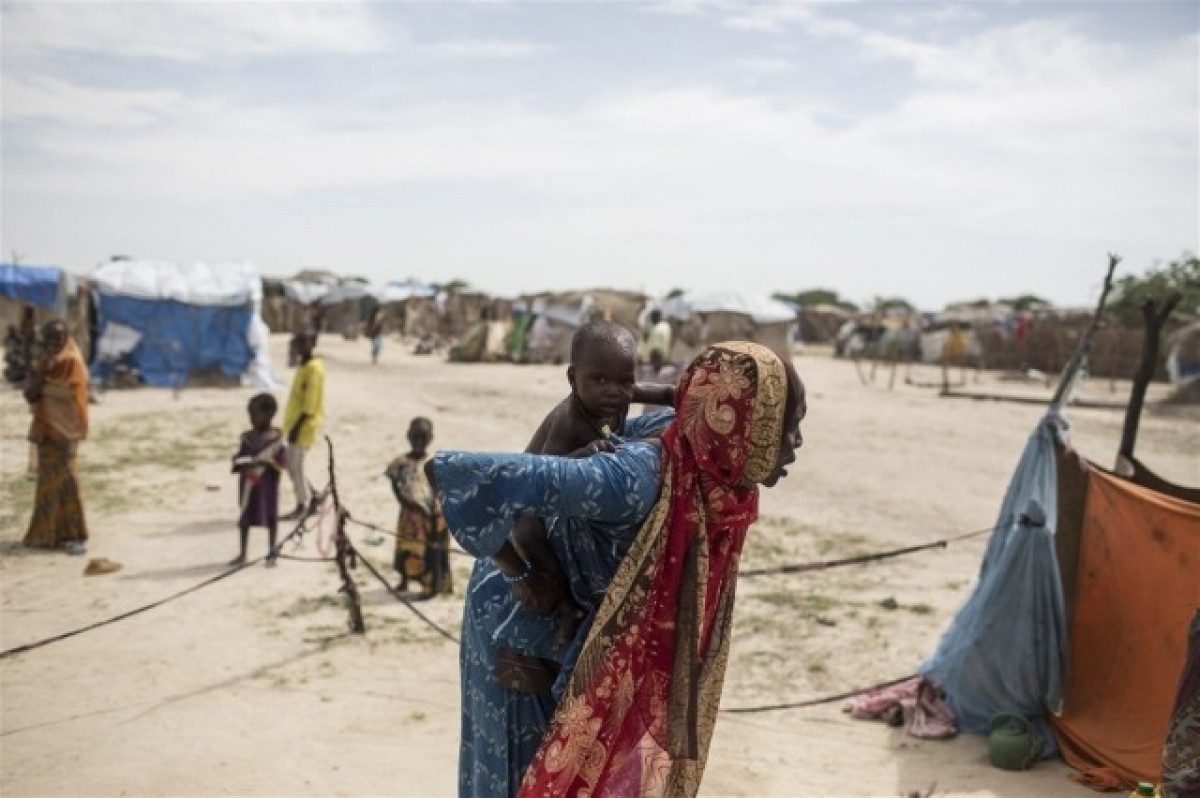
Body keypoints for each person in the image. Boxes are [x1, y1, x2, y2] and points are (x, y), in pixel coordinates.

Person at [429, 341, 805, 797]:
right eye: (786, 425)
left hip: (580, 628)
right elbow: (462, 477)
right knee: (520, 776)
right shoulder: (630, 481)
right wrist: (520, 574)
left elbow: (676, 398)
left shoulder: (705, 458)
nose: (796, 443)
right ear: (746, 424)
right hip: (519, 623)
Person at [507, 320, 675, 650]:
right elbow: (544, 473)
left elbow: (667, 394)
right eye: (599, 380)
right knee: (539, 550)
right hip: (530, 502)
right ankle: (566, 609)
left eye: (625, 381)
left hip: (572, 493)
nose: (613, 390)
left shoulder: (620, 396)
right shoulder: (569, 419)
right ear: (573, 379)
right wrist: (581, 455)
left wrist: (691, 398)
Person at [22, 319, 91, 555]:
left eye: (58, 339)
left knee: (68, 480)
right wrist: (42, 372)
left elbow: (75, 395)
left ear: (66, 339)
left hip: (67, 432)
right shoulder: (39, 363)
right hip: (47, 431)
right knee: (47, 483)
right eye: (49, 339)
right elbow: (30, 395)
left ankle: (74, 533)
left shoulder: (73, 362)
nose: (54, 344)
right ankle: (45, 534)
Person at [385, 417, 452, 598]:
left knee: (430, 549)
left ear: (430, 439)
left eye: (423, 438)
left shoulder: (434, 463)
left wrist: (435, 511)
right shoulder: (400, 463)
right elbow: (394, 484)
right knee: (406, 548)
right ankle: (404, 579)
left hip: (432, 514)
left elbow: (441, 489)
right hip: (409, 515)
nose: (419, 442)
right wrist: (404, 501)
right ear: (408, 436)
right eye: (415, 437)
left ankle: (430, 586)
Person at [230, 393, 287, 566]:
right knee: (245, 517)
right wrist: (238, 461)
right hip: (248, 483)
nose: (252, 419)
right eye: (250, 415)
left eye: (255, 415)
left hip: (267, 485)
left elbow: (281, 464)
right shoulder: (247, 438)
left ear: (269, 414)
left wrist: (267, 462)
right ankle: (243, 553)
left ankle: (272, 552)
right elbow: (240, 456)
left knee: (271, 518)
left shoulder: (276, 440)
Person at [281, 331, 324, 521]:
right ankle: (313, 495)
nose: (300, 347)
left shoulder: (314, 370)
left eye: (304, 343)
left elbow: (310, 405)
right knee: (292, 465)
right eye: (297, 343)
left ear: (313, 344)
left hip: (303, 426)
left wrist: (296, 428)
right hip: (294, 424)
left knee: (295, 466)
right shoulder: (303, 366)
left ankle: (303, 505)